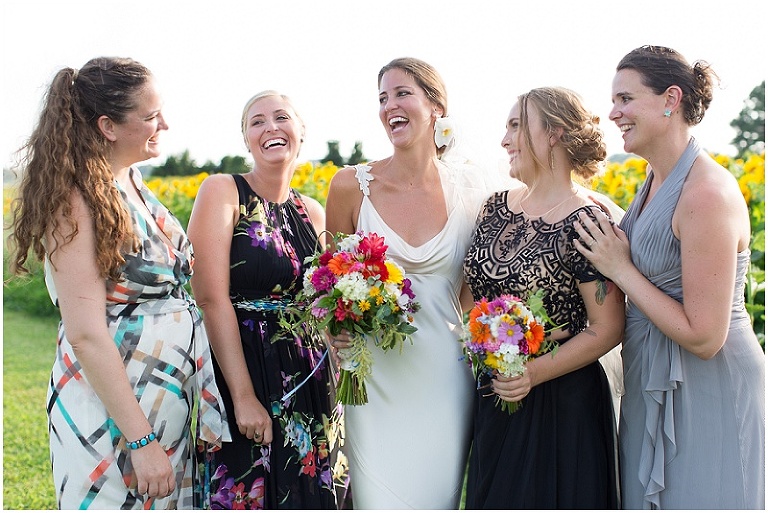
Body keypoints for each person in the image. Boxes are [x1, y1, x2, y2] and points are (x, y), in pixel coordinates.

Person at [6, 57, 229, 509]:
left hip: (162, 395)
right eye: (150, 116)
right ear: (108, 126)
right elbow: (87, 333)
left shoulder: (131, 182)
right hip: (112, 411)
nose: (164, 123)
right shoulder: (74, 199)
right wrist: (142, 441)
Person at [574, 45, 765, 509]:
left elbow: (705, 336)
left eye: (625, 99)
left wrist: (620, 267)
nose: (613, 112)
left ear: (670, 99)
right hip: (651, 378)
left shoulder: (707, 194)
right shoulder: (653, 179)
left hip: (710, 384)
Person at [325, 57, 488, 508]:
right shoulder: (349, 186)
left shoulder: (474, 190)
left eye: (402, 94)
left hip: (444, 377)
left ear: (435, 106)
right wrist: (336, 327)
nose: (389, 106)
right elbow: (328, 284)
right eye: (382, 98)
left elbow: (474, 290)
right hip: (372, 375)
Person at [462, 86, 625, 508]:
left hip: (563, 403)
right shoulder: (493, 208)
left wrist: (532, 373)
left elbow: (608, 327)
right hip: (495, 391)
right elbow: (468, 297)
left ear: (553, 133)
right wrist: (488, 348)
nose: (504, 139)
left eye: (517, 125)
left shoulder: (587, 222)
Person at [187, 91, 341, 509]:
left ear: (301, 131)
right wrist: (241, 396)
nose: (270, 127)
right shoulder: (223, 191)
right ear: (246, 138)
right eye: (257, 121)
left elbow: (321, 301)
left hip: (309, 376)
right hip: (246, 366)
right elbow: (210, 297)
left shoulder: (312, 211)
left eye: (281, 117)